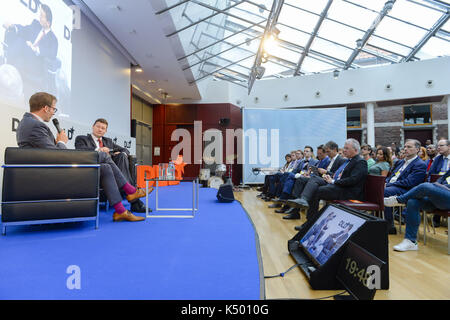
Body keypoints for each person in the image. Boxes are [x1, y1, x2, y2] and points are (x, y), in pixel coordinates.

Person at [16, 92, 150, 222]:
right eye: (53, 109)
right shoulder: (35, 125)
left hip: (52, 168)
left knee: (105, 167)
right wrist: (61, 142)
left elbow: (48, 152)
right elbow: (54, 156)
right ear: (45, 108)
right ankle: (131, 191)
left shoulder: (30, 123)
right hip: (55, 171)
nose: (53, 112)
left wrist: (58, 143)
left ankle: (120, 211)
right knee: (103, 156)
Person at [75, 118, 148, 213]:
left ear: (105, 131)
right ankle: (133, 197)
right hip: (95, 170)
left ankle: (130, 195)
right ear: (93, 127)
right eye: (98, 126)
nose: (100, 129)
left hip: (112, 172)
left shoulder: (108, 141)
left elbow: (125, 150)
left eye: (103, 128)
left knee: (122, 155)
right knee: (107, 161)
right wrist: (99, 151)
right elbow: (81, 153)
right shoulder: (82, 139)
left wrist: (117, 154)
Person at [287, 139, 368, 223]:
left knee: (317, 190)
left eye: (346, 148)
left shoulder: (360, 162)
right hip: (339, 187)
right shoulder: (349, 161)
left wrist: (333, 181)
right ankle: (304, 201)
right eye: (344, 148)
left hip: (348, 192)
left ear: (355, 150)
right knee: (313, 178)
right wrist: (330, 176)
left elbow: (353, 180)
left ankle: (310, 222)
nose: (344, 150)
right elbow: (340, 175)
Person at [384, 169, 450, 252]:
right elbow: (442, 178)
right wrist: (438, 185)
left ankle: (399, 200)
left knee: (425, 186)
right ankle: (411, 241)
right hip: (439, 196)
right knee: (413, 202)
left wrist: (439, 187)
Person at [283, 141, 346, 220]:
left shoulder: (341, 160)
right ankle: (297, 207)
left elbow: (338, 175)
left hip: (329, 182)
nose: (327, 153)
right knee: (301, 180)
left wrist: (326, 172)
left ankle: (307, 214)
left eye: (328, 151)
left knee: (313, 186)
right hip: (323, 179)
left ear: (335, 150)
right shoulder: (330, 160)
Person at [3, 4, 58, 83]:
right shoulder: (36, 25)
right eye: (40, 15)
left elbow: (52, 53)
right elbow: (25, 30)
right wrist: (13, 27)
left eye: (42, 16)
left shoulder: (53, 39)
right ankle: (7, 67)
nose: (39, 17)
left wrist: (36, 49)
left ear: (48, 23)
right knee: (17, 37)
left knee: (21, 43)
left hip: (37, 64)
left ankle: (7, 66)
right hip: (25, 54)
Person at [383, 139, 427, 234]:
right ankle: (377, 221)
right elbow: (390, 177)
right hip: (393, 187)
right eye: (405, 147)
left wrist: (388, 184)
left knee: (384, 192)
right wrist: (384, 182)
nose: (405, 149)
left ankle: (389, 224)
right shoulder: (400, 162)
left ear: (417, 149)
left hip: (406, 191)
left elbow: (410, 182)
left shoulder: (420, 164)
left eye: (409, 147)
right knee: (376, 189)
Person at [427, 139, 450, 227]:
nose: (438, 148)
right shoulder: (437, 159)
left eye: (441, 145)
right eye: (438, 146)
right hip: (437, 182)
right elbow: (431, 173)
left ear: (449, 146)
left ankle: (437, 217)